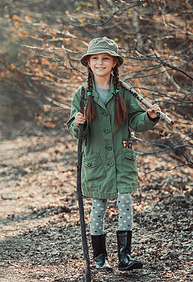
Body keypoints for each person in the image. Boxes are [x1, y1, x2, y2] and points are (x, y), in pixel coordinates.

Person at [66, 37, 161, 271]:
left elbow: (134, 121)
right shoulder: (80, 95)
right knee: (98, 205)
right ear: (88, 63)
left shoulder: (124, 93)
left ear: (114, 63)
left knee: (125, 202)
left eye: (105, 58)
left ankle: (124, 256)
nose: (100, 63)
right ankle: (99, 258)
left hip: (122, 159)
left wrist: (148, 117)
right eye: (95, 58)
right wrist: (78, 123)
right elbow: (74, 128)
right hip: (96, 161)